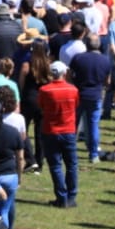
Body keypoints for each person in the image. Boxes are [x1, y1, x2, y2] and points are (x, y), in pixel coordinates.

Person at [38, 60, 80, 208]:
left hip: (50, 131)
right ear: (64, 73)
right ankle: (71, 196)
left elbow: (41, 107)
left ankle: (61, 197)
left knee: (55, 166)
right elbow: (75, 105)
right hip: (68, 130)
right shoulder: (73, 89)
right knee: (72, 164)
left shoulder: (44, 90)